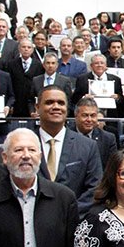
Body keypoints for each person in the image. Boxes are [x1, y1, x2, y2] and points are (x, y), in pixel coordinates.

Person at [36, 86, 102, 215]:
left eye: (61, 103)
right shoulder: (24, 144)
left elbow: (95, 188)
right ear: (37, 107)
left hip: (74, 219)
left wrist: (68, 213)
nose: (56, 107)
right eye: (49, 102)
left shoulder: (88, 146)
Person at [73, 97, 118, 168]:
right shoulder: (65, 136)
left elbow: (112, 169)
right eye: (85, 115)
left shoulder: (108, 139)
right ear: (76, 116)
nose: (89, 119)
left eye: (93, 116)